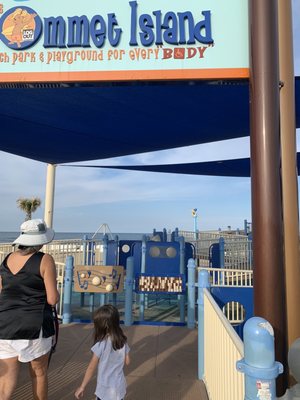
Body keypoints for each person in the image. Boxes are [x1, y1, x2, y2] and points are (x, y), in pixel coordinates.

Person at [0, 218, 59, 400]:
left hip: (5, 323)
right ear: (40, 240)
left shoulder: (7, 258)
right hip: (34, 326)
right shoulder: (45, 260)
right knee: (38, 373)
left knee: (5, 380)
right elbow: (51, 298)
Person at [75, 304, 130, 400]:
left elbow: (91, 367)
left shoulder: (101, 345)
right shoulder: (122, 341)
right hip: (119, 386)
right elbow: (127, 361)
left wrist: (82, 386)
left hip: (105, 389)